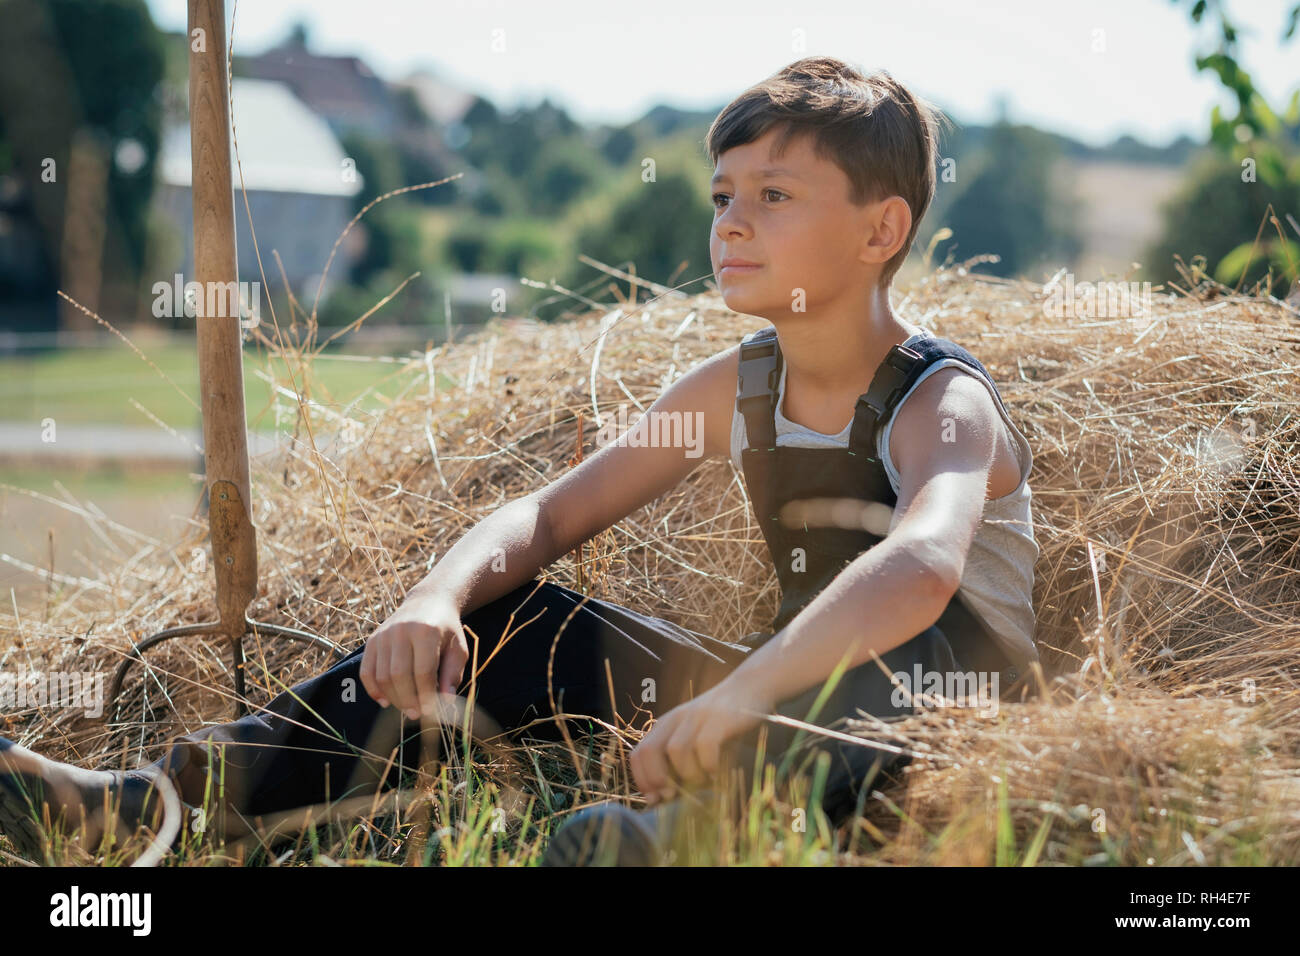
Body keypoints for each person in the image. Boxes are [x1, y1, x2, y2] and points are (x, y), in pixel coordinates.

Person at [0, 56, 1041, 867]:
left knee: (854, 727)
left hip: (940, 715)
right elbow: (544, 520)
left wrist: (742, 695)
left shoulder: (939, 400)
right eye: (723, 195)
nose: (731, 222)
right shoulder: (740, 388)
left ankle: (682, 838)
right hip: (772, 690)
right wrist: (435, 595)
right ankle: (163, 798)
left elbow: (920, 566)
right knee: (517, 620)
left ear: (881, 229)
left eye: (775, 195)